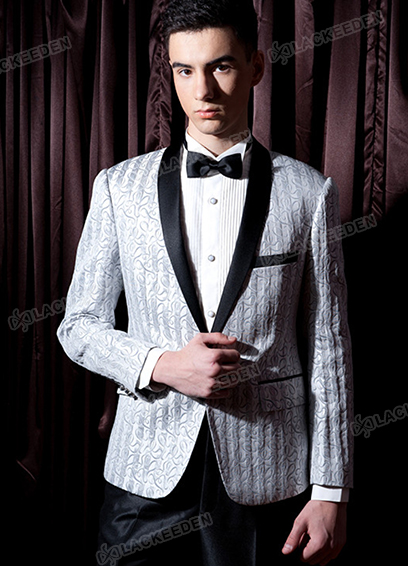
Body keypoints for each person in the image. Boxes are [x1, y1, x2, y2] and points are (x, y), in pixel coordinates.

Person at [57, 1, 353, 564]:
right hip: (144, 469)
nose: (203, 90)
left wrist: (330, 489)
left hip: (266, 471)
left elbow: (328, 349)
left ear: (256, 66)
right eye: (184, 70)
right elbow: (79, 326)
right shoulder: (119, 188)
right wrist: (163, 365)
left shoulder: (309, 193)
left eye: (221, 66)